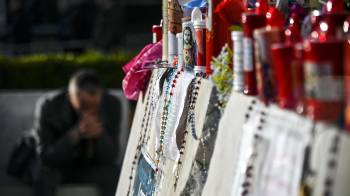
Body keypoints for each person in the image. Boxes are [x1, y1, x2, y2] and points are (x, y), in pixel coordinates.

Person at [33, 69, 121, 196]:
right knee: (44, 175)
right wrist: (75, 134)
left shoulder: (111, 104)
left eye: (95, 106)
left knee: (113, 174)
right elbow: (45, 157)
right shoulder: (49, 105)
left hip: (89, 167)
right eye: (84, 106)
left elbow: (111, 156)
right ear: (70, 96)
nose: (89, 112)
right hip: (58, 167)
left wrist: (100, 135)